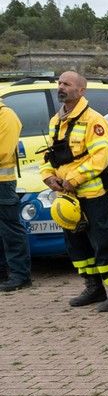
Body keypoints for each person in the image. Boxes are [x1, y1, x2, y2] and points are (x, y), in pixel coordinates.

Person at [40, 70, 108, 312]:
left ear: (81, 90)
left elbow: (101, 157)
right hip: (67, 198)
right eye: (59, 83)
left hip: (92, 195)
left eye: (67, 84)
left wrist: (74, 179)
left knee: (103, 242)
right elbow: (51, 156)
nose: (61, 87)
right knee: (76, 245)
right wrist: (48, 177)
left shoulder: (94, 120)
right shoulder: (55, 121)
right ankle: (93, 288)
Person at [0, 97, 31, 292]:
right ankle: (4, 272)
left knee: (10, 229)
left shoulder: (6, 116)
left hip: (3, 183)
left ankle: (20, 275)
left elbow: (3, 151)